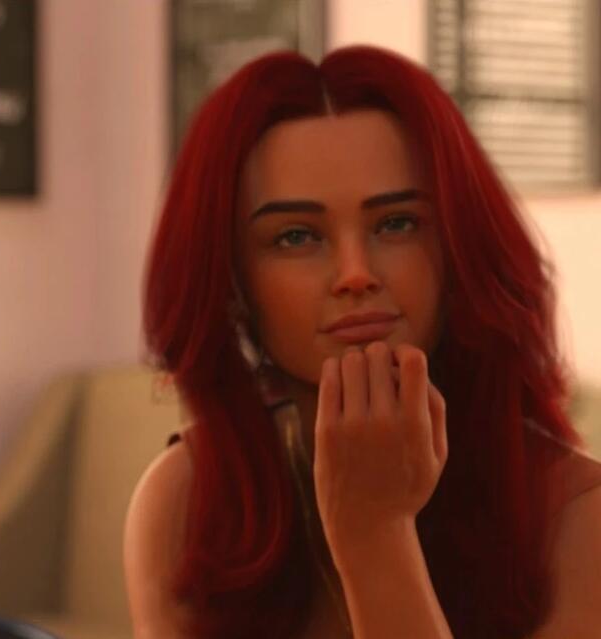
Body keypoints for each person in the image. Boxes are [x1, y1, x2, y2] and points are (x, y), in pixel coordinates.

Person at [124, 46, 601, 638]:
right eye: (295, 236)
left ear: (459, 245)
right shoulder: (185, 501)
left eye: (397, 224)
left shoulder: (578, 516)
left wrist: (376, 533)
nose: (355, 273)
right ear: (232, 281)